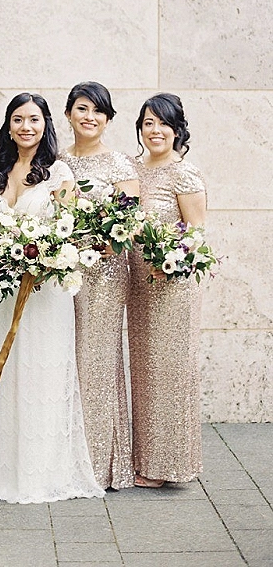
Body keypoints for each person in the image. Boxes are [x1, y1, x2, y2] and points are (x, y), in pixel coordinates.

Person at [0, 92, 104, 504]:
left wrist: (43, 257)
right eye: (18, 119)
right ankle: (8, 467)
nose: (25, 127)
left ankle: (44, 470)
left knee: (43, 371)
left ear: (46, 124)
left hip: (45, 291)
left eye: (33, 119)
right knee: (10, 370)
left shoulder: (58, 172)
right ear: (8, 125)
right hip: (4, 291)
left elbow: (69, 229)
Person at [59, 81, 138, 490]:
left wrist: (108, 240)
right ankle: (63, 459)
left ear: (107, 119)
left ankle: (98, 463)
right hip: (62, 274)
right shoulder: (56, 162)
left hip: (105, 274)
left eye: (98, 111)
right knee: (64, 358)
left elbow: (128, 224)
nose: (89, 117)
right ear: (68, 113)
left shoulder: (120, 165)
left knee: (97, 359)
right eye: (82, 109)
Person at [127, 93, 207, 488]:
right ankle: (146, 458)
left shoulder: (184, 174)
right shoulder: (132, 169)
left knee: (170, 373)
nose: (155, 130)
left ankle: (169, 465)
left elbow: (196, 235)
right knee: (144, 372)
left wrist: (170, 262)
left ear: (177, 130)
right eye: (148, 123)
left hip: (172, 288)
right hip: (138, 285)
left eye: (163, 123)